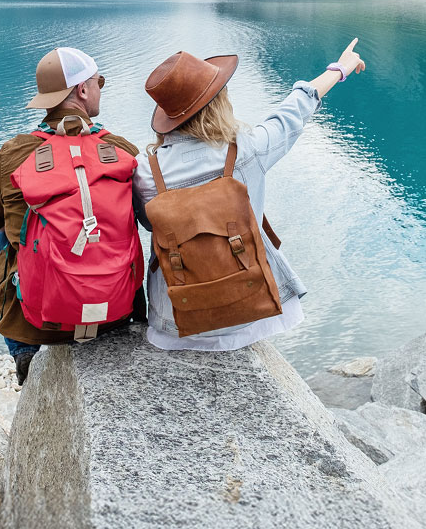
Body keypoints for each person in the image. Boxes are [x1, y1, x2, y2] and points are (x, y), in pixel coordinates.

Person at [134, 39, 366, 351]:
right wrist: (340, 69)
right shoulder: (247, 150)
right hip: (251, 313)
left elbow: (152, 226)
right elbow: (293, 110)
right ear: (218, 103)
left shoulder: (146, 173)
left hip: (174, 323)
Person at [0, 47, 143, 383]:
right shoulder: (122, 150)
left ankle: (24, 351)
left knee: (11, 231)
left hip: (43, 324)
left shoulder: (14, 153)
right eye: (98, 83)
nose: (99, 89)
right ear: (82, 89)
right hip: (116, 312)